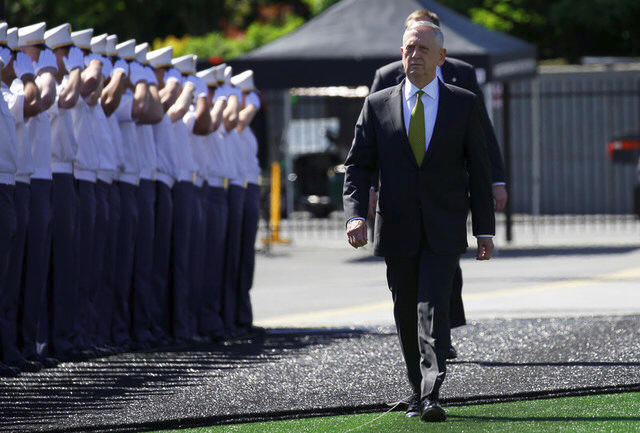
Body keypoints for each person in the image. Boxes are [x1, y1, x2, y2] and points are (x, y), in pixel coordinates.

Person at [343, 22, 495, 422]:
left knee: (434, 307)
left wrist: (484, 229)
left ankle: (431, 393)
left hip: (444, 226)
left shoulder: (463, 103)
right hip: (397, 227)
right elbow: (357, 166)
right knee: (406, 309)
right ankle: (416, 388)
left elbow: (480, 170)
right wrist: (356, 215)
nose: (415, 56)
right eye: (409, 49)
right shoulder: (377, 104)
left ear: (441, 57)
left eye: (423, 49)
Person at [369, 9, 507, 359]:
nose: (416, 50)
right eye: (410, 40)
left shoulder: (462, 75)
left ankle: (439, 335)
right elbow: (370, 139)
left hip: (447, 195)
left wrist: (496, 179)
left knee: (444, 268)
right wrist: (369, 190)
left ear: (439, 47)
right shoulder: (386, 77)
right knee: (412, 281)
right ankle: (428, 346)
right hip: (402, 202)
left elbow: (482, 133)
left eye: (424, 40)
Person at [231, 70, 262, 333]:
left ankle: (242, 315)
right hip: (231, 188)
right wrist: (242, 103)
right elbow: (239, 121)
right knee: (232, 257)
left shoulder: (247, 132)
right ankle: (232, 315)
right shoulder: (228, 120)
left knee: (244, 257)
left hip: (246, 186)